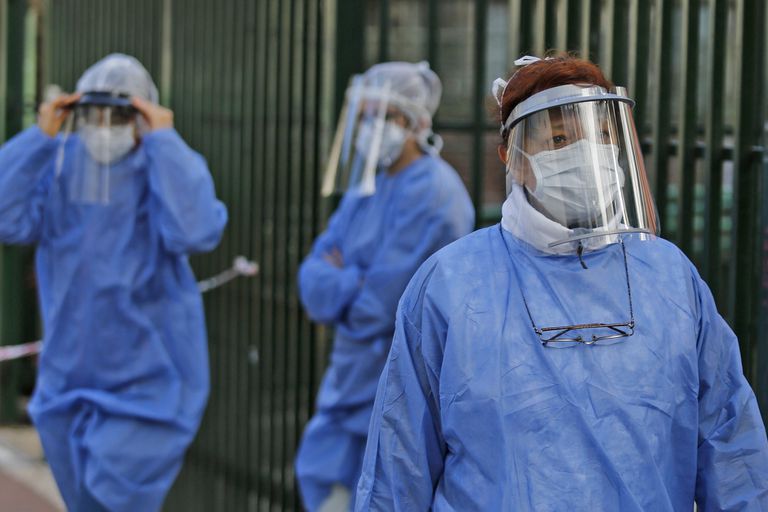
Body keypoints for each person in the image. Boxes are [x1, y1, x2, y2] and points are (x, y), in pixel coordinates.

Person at [355, 54, 768, 511]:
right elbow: (399, 465)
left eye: (602, 135)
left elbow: (732, 447)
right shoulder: (449, 284)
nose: (587, 153)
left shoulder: (670, 276)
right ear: (513, 159)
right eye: (558, 139)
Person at [0, 53, 227, 511]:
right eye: (94, 113)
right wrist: (39, 138)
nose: (105, 127)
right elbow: (7, 216)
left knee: (116, 498)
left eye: (120, 114)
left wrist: (163, 140)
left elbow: (198, 230)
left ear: (142, 116)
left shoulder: (161, 168)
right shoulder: (60, 168)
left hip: (144, 386)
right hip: (65, 381)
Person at [295, 61, 475, 511]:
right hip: (351, 380)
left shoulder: (435, 192)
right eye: (363, 116)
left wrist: (345, 281)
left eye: (382, 115)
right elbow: (311, 279)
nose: (370, 127)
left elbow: (380, 307)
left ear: (414, 122)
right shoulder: (368, 188)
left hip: (401, 384)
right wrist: (353, 282)